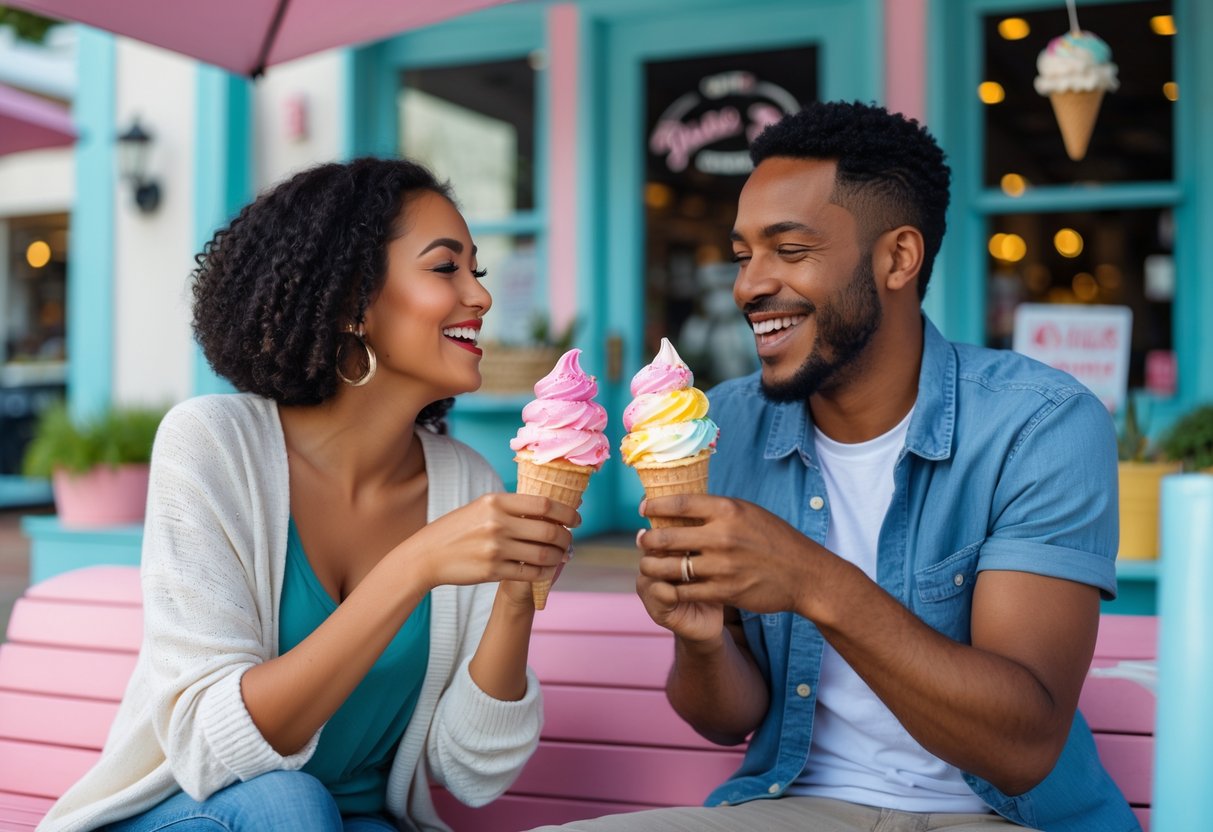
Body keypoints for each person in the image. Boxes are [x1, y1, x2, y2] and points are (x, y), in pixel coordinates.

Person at [535, 101, 1138, 831]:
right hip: (794, 805)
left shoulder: (1038, 424)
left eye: (789, 251)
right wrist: (701, 639)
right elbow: (725, 721)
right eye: (742, 254)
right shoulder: (720, 426)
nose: (747, 286)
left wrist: (810, 580)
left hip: (1000, 817)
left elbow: (1022, 747)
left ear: (897, 257)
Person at [40, 158, 577, 832]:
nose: (480, 297)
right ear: (352, 299)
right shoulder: (213, 445)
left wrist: (515, 592)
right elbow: (213, 751)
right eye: (446, 269)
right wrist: (413, 568)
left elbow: (471, 772)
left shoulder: (466, 482)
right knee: (289, 804)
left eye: (479, 272)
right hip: (200, 814)